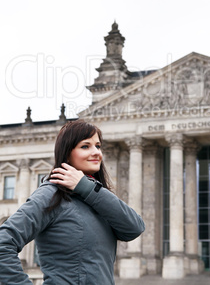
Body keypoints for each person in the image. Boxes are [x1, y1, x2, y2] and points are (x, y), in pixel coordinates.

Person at [0, 120, 145, 284]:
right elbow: (3, 243)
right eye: (85, 146)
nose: (96, 152)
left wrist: (86, 187)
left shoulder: (94, 196)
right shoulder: (51, 194)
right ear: (67, 152)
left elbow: (134, 228)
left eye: (98, 146)